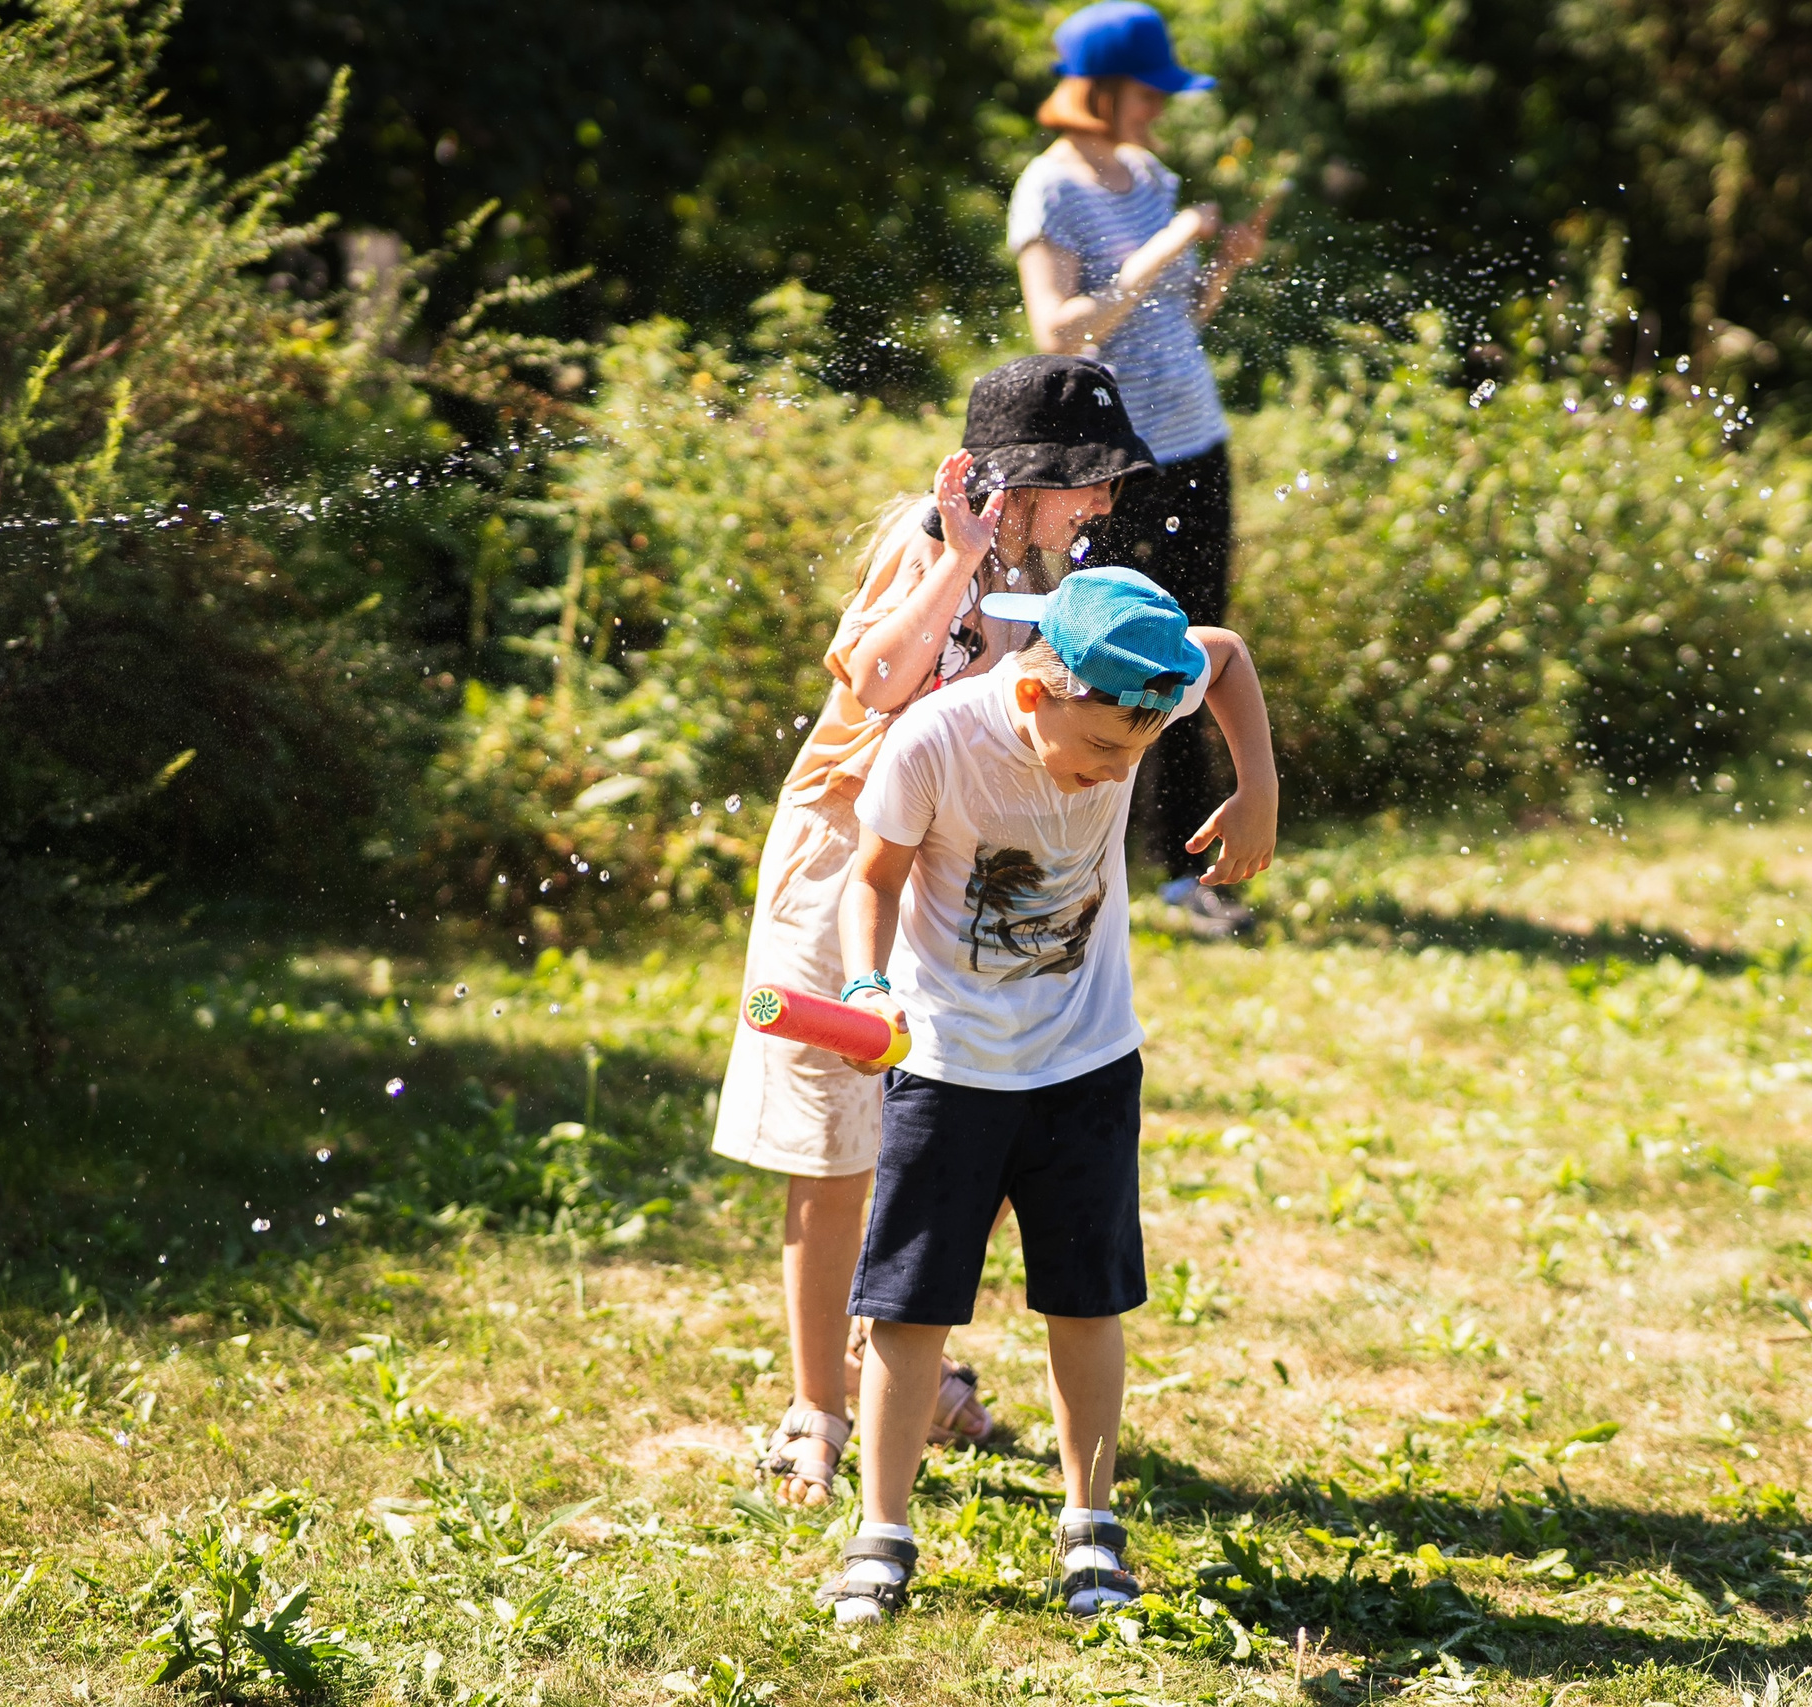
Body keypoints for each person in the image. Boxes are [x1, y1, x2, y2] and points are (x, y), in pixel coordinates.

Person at [714, 354, 1159, 1509]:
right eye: (1089, 479)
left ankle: (895, 1351)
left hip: (951, 868)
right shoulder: (932, 542)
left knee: (974, 1118)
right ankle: (816, 1410)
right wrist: (958, 558)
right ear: (1020, 478)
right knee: (838, 1147)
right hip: (847, 861)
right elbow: (873, 681)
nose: (1104, 501)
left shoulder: (1044, 571)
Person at [811, 566, 1278, 1625]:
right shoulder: (933, 742)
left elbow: (1228, 655)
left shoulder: (1134, 689)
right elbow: (872, 878)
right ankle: (881, 1531)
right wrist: (867, 987)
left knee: (1086, 1300)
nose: (1117, 771)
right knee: (907, 1308)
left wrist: (1258, 788)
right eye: (1104, 750)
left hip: (1087, 1063)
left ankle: (1090, 1526)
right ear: (1035, 693)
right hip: (948, 1065)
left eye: (1138, 753)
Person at [1009, 0, 1273, 939]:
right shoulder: (1048, 190)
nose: (1161, 109)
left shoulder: (1152, 176)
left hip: (1196, 442)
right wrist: (1167, 247)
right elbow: (1059, 331)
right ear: (1103, 91)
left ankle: (1191, 878)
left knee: (1189, 654)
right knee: (1093, 661)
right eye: (1149, 92)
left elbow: (1173, 320)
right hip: (1109, 469)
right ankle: (1070, 872)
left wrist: (1223, 267)